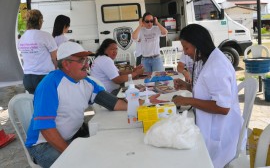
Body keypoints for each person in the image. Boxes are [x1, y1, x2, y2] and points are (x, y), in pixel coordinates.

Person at [25, 41, 161, 167]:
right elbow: (46, 129)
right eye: (81, 60)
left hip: (73, 137)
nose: (86, 64)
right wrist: (70, 153)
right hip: (44, 145)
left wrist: (145, 102)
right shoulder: (50, 85)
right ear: (66, 64)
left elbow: (114, 104)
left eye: (86, 60)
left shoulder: (86, 82)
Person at [172, 24, 243, 168]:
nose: (185, 53)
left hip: (221, 134)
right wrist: (187, 86)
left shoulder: (217, 66)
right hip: (209, 124)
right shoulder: (204, 59)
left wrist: (188, 100)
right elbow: (207, 90)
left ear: (198, 44)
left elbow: (223, 108)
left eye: (186, 48)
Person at [18, 9, 57, 94]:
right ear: (40, 21)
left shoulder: (22, 38)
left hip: (27, 77)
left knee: (33, 102)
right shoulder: (46, 36)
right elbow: (55, 58)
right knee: (46, 103)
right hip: (43, 77)